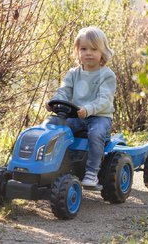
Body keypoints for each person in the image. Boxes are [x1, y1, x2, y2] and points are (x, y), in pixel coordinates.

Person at [46, 26, 117, 187]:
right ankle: (55, 166)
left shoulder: (107, 75)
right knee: (55, 128)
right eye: (84, 49)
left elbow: (104, 100)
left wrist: (88, 109)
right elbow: (63, 91)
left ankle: (92, 172)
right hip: (77, 116)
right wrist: (54, 101)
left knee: (96, 133)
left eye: (94, 49)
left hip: (99, 117)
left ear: (102, 52)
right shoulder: (73, 73)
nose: (88, 53)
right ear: (77, 51)